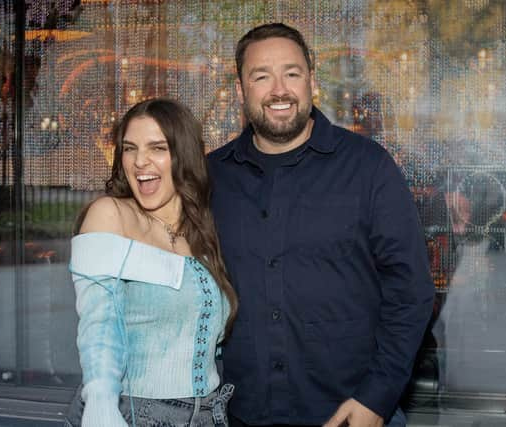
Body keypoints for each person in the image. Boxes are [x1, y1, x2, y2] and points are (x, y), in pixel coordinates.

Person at [207, 23, 434, 427]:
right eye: (261, 76)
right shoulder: (211, 177)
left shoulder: (369, 168)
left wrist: (376, 399)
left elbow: (411, 292)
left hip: (350, 414)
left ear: (312, 82)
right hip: (238, 415)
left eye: (291, 73)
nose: (279, 89)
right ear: (241, 91)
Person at [65, 98, 238, 427]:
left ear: (183, 155)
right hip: (133, 413)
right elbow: (98, 325)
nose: (140, 161)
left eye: (157, 148)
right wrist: (101, 404)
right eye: (130, 149)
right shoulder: (110, 214)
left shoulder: (203, 233)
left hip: (209, 416)